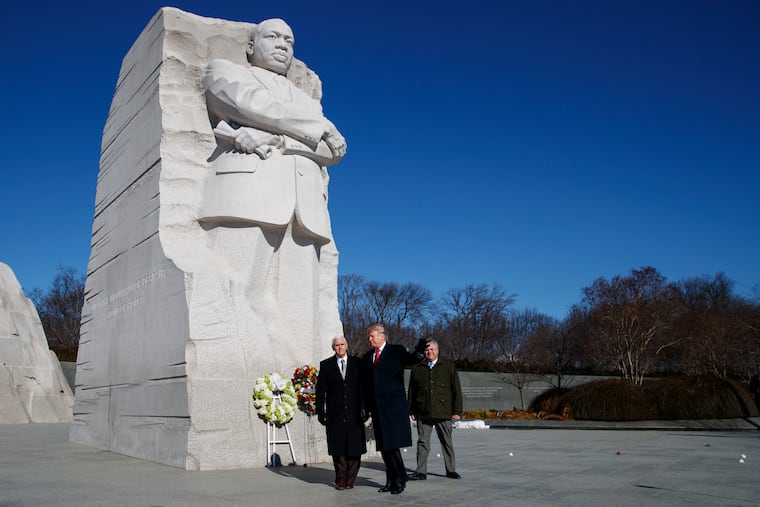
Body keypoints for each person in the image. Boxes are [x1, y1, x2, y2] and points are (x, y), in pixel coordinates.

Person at [199, 18, 347, 366]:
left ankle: (301, 385)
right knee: (234, 292)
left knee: (302, 313)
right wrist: (316, 127)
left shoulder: (304, 99)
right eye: (273, 37)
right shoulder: (226, 71)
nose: (283, 45)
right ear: (251, 46)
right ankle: (236, 370)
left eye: (289, 40)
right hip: (247, 197)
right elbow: (242, 104)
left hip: (305, 208)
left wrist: (276, 137)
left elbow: (334, 152)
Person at [361, 324, 424, 495]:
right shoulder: (368, 357)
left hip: (393, 408)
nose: (369, 339)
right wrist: (364, 406)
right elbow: (365, 385)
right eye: (369, 336)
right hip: (377, 409)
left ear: (383, 336)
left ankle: (400, 478)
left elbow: (410, 360)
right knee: (384, 446)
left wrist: (419, 354)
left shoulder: (396, 351)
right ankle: (390, 480)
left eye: (372, 336)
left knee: (392, 445)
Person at [315, 336, 366, 490]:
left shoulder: (357, 364)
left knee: (354, 448)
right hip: (335, 413)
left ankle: (351, 479)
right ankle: (341, 480)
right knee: (338, 448)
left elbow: (362, 388)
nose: (340, 347)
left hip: (354, 413)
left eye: (342, 344)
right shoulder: (326, 365)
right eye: (337, 345)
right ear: (333, 348)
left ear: (347, 346)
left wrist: (365, 408)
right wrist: (320, 411)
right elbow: (320, 391)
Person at [407, 339, 463, 481]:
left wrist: (457, 411)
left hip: (443, 411)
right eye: (427, 350)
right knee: (423, 442)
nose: (429, 352)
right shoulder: (417, 368)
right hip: (423, 411)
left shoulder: (448, 367)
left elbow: (456, 389)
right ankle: (421, 471)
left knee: (447, 442)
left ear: (437, 351)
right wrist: (411, 410)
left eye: (432, 349)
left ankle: (451, 470)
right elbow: (412, 391)